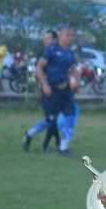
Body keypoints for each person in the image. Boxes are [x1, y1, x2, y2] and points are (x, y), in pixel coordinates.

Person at [22, 26, 78, 156]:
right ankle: (29, 134)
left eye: (71, 36)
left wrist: (75, 79)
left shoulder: (69, 52)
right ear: (60, 35)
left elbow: (73, 68)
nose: (70, 38)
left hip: (66, 91)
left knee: (69, 118)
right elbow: (39, 67)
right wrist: (44, 84)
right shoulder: (51, 49)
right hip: (52, 90)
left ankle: (63, 147)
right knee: (50, 121)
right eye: (67, 35)